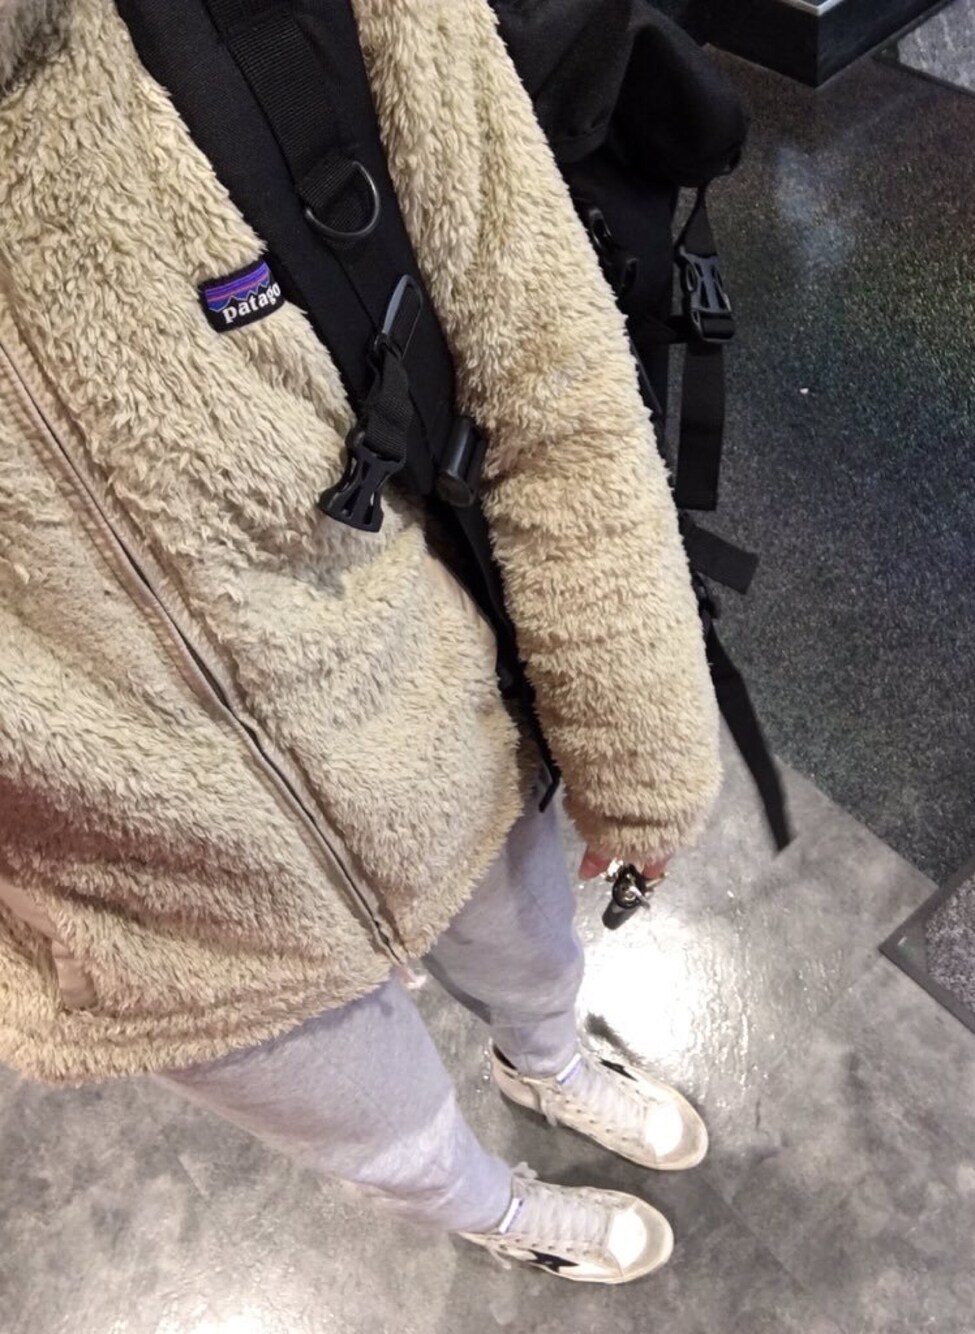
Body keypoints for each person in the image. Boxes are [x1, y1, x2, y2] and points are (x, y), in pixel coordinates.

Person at [0, 0, 721, 1285]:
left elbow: (544, 359)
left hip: (428, 724)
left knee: (536, 956)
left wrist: (638, 737)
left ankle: (548, 1061)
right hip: (136, 919)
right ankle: (494, 1209)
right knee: (386, 1135)